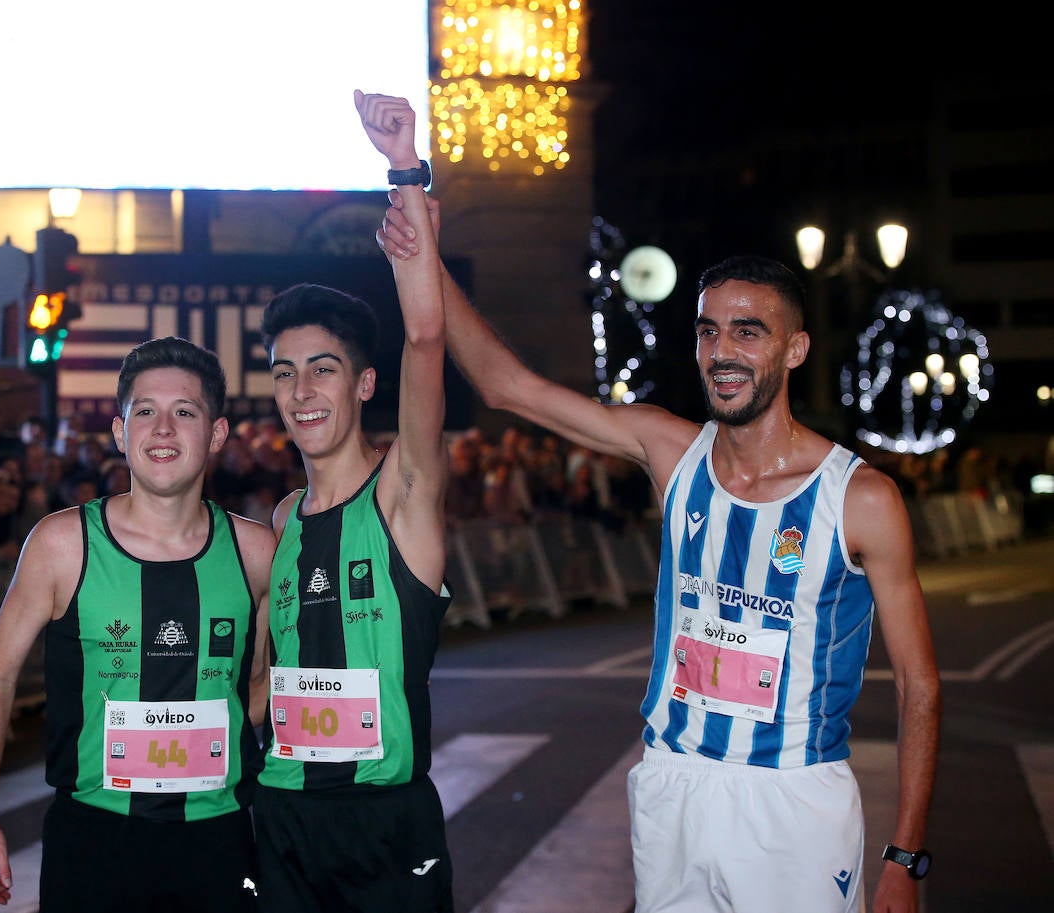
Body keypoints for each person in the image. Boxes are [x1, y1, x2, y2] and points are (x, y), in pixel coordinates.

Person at [381, 205, 942, 913]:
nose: (722, 350)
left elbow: (920, 686)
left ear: (794, 350)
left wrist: (905, 855)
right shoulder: (672, 451)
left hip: (791, 798)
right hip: (673, 782)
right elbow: (505, 386)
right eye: (708, 330)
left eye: (748, 331)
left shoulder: (859, 498)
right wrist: (424, 250)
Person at [0, 336, 275, 912]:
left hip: (218, 839)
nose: (163, 429)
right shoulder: (62, 543)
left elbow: (257, 689)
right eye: (145, 412)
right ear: (119, 431)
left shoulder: (255, 551)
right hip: (95, 840)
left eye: (184, 412)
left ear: (215, 435)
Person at [253, 90, 453, 913]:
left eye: (323, 369)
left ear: (363, 383)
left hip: (385, 825)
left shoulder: (404, 490)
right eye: (283, 372)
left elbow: (428, 338)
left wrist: (403, 167)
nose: (301, 391)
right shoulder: (280, 522)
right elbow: (263, 669)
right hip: (285, 816)